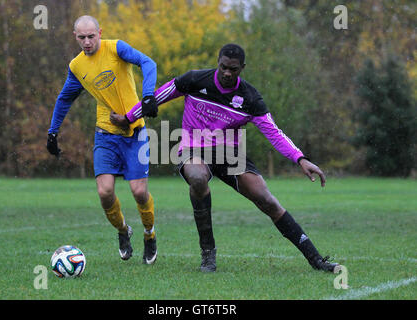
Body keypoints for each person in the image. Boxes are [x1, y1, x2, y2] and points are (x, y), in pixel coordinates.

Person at [113, 43, 340, 273]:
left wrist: (300, 158)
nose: (227, 73)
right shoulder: (195, 80)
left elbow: (274, 133)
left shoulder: (250, 98)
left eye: (233, 69)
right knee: (198, 178)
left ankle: (316, 259)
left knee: (267, 200)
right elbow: (158, 96)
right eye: (223, 67)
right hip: (193, 148)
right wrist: (128, 118)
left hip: (229, 154)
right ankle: (208, 254)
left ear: (242, 68)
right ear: (218, 62)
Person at [46, 15, 159, 265]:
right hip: (105, 134)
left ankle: (149, 234)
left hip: (135, 132)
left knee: (139, 192)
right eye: (81, 37)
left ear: (100, 32)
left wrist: (148, 95)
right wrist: (53, 132)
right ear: (75, 37)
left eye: (91, 36)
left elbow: (147, 62)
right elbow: (65, 98)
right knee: (105, 192)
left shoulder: (116, 47)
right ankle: (123, 231)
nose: (87, 42)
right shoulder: (76, 66)